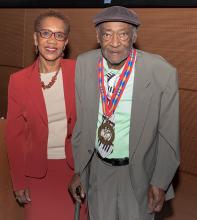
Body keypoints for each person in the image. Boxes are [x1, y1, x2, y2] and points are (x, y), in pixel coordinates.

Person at [69, 6, 180, 220]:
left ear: (134, 36)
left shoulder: (161, 72)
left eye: (123, 34)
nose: (115, 42)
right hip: (99, 168)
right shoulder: (85, 63)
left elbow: (168, 134)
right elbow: (82, 124)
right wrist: (79, 170)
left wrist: (160, 181)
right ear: (98, 36)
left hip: (139, 172)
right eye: (107, 34)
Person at [6, 11, 87, 220]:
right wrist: (19, 182)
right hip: (37, 172)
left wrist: (86, 171)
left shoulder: (80, 72)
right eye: (45, 33)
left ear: (66, 42)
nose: (52, 40)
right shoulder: (18, 81)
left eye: (59, 35)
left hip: (75, 171)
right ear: (35, 38)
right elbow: (14, 137)